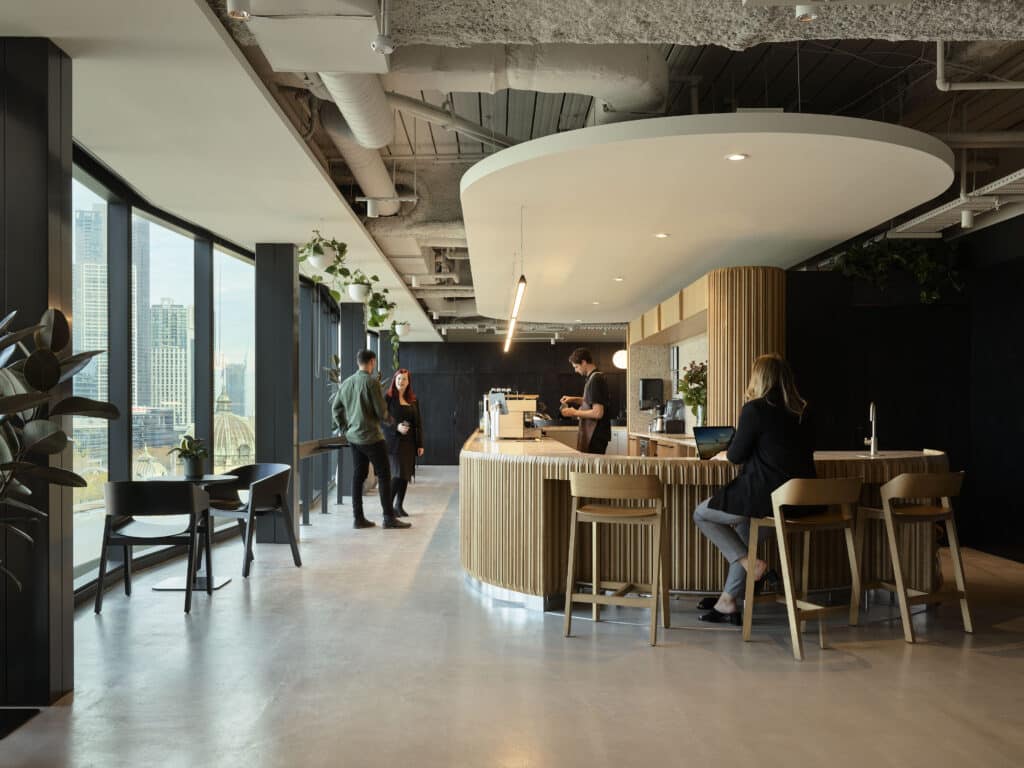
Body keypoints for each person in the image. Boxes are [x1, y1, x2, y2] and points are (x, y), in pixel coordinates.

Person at [692, 354, 816, 624]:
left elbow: (735, 455)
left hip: (765, 498)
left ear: (759, 378)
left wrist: (727, 450)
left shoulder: (755, 409)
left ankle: (751, 565)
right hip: (800, 500)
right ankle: (728, 601)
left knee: (701, 514)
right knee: (748, 533)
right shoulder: (802, 411)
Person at [332, 349, 411, 530]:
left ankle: (358, 518)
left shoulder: (346, 383)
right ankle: (388, 518)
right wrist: (392, 422)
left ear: (358, 362)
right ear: (372, 362)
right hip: (371, 437)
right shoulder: (371, 382)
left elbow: (336, 409)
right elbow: (381, 410)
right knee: (384, 475)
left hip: (354, 438)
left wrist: (345, 428)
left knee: (358, 476)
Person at [383, 368, 424, 517]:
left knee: (406, 475)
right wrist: (396, 427)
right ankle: (388, 508)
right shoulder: (387, 398)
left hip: (409, 443)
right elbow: (382, 421)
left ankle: (399, 506)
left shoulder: (413, 400)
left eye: (404, 379)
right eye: (399, 379)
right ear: (395, 380)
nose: (401, 382)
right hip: (394, 442)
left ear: (408, 382)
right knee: (398, 474)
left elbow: (418, 423)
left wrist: (420, 444)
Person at [560, 347, 612, 454]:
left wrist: (574, 412)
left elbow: (598, 413)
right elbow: (591, 401)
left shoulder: (596, 380)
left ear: (584, 362)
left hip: (596, 435)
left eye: (576, 366)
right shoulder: (593, 377)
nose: (575, 370)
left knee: (591, 470)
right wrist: (573, 399)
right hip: (596, 435)